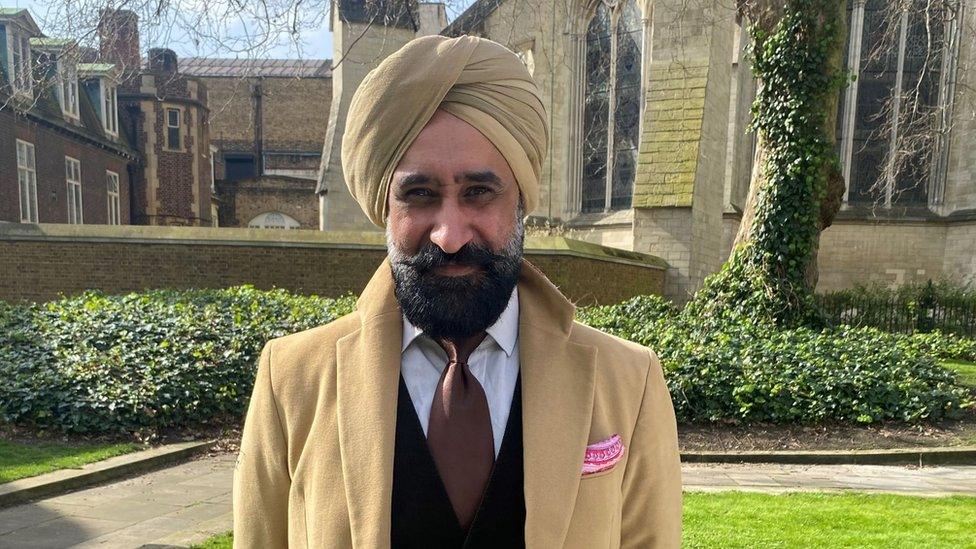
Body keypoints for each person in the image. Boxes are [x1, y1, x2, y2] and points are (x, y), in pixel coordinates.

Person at [233, 34, 681, 548]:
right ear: (386, 208)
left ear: (520, 205)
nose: (450, 234)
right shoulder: (291, 381)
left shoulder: (630, 383)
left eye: (479, 193)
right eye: (420, 195)